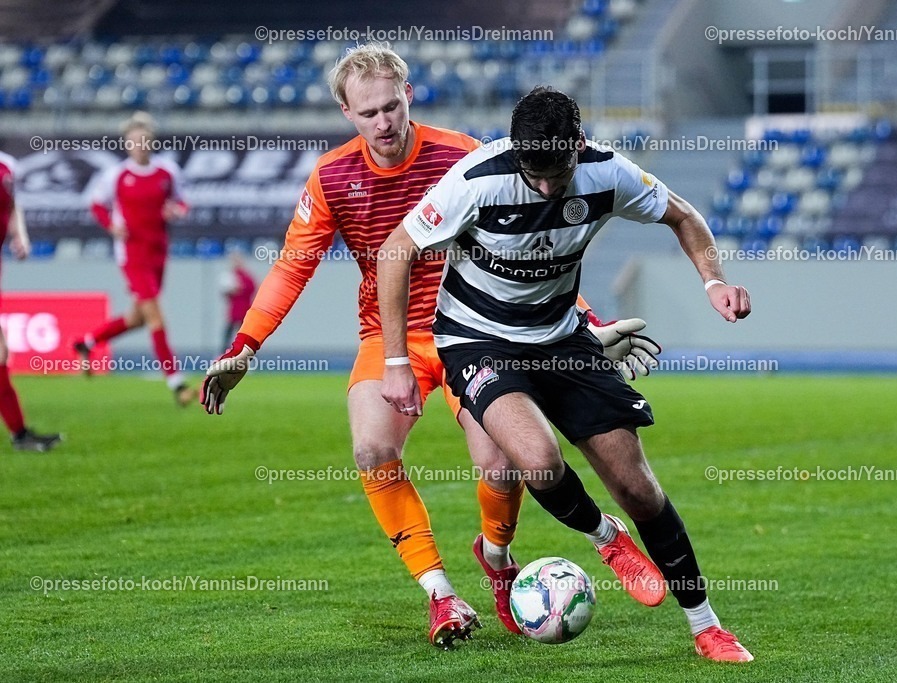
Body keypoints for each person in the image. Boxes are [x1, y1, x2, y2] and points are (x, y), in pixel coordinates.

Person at [200, 45, 661, 649]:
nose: (384, 122)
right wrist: (246, 346)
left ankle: (496, 560)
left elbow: (534, 250)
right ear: (346, 112)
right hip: (389, 338)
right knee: (371, 449)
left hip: (476, 334)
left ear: (409, 95)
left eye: (392, 106)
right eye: (369, 113)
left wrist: (583, 323)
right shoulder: (334, 177)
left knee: (502, 463)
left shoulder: (463, 155)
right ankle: (442, 595)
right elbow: (293, 267)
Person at [378, 87, 754, 662]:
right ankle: (606, 539)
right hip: (479, 340)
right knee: (537, 460)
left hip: (562, 338)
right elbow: (395, 250)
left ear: (579, 145)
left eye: (559, 173)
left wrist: (714, 281)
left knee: (639, 488)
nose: (549, 188)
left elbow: (684, 216)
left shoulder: (607, 172)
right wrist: (398, 361)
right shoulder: (477, 179)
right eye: (536, 174)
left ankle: (707, 627)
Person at [71, 112, 196, 406]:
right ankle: (177, 384)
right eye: (134, 141)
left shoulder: (167, 172)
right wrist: (111, 226)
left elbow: (183, 200)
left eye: (144, 140)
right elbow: (96, 203)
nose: (140, 145)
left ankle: (85, 342)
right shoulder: (116, 175)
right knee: (156, 316)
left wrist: (176, 210)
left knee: (138, 318)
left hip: (158, 252)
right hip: (132, 254)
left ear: (151, 142)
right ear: (126, 144)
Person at [0, 151, 62, 452]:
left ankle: (20, 433)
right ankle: (20, 434)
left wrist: (19, 235)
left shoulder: (7, 165)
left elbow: (13, 206)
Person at [220, 250, 256, 350]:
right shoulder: (230, 275)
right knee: (229, 331)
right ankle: (224, 351)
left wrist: (240, 289)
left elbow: (251, 288)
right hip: (234, 308)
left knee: (246, 332)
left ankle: (248, 351)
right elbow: (225, 292)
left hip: (244, 307)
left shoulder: (246, 276)